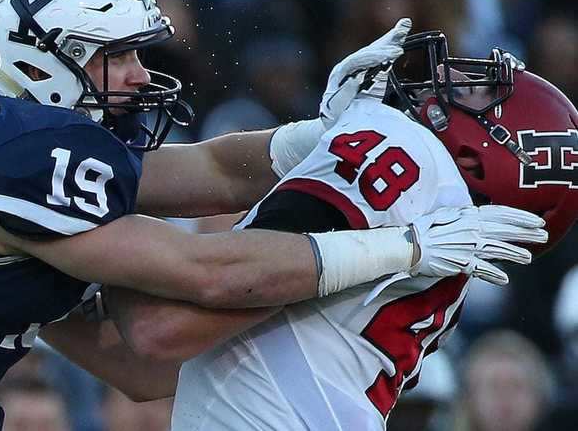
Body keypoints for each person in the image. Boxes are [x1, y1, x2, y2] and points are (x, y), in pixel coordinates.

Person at [0, 0, 545, 431]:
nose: (140, 73)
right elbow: (208, 272)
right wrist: (404, 247)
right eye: (116, 54)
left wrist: (331, 133)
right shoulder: (14, 150)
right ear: (37, 58)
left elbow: (211, 173)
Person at [102, 31, 576, 430]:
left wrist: (57, 218)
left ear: (480, 156)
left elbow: (158, 327)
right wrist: (313, 136)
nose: (451, 78)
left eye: (482, 93)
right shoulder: (444, 239)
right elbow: (149, 368)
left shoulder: (413, 159)